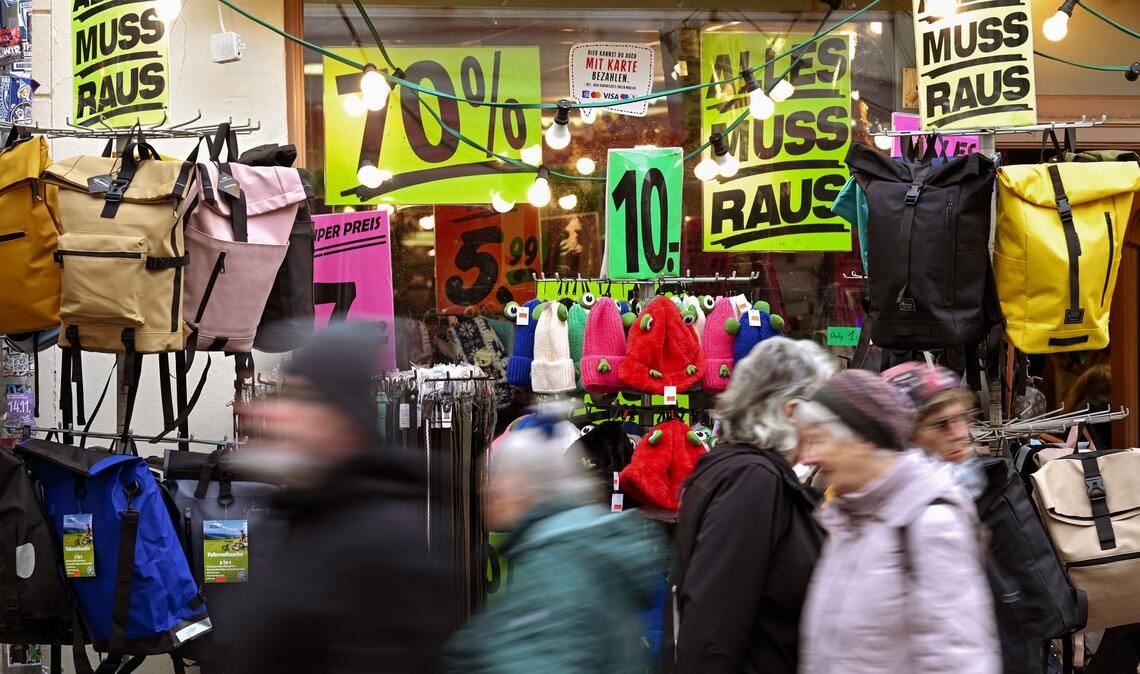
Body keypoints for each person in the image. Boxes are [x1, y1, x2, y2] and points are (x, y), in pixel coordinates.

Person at [232, 324, 454, 674]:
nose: (282, 415)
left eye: (303, 400)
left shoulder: (384, 538)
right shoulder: (311, 513)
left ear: (340, 418)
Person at [796, 369, 1000, 674]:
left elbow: (959, 658)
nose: (810, 457)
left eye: (820, 440)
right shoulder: (849, 517)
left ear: (861, 440)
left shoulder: (929, 521)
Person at [668, 337, 835, 674]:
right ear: (791, 411)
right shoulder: (753, 480)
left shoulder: (739, 471)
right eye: (822, 410)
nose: (825, 424)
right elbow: (713, 623)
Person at [444, 418, 663, 673]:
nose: (488, 489)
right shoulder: (564, 543)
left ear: (523, 486)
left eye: (498, 476)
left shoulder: (557, 562)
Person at [882, 361, 987, 499]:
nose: (960, 434)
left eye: (964, 417)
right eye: (941, 424)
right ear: (905, 437)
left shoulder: (994, 483)